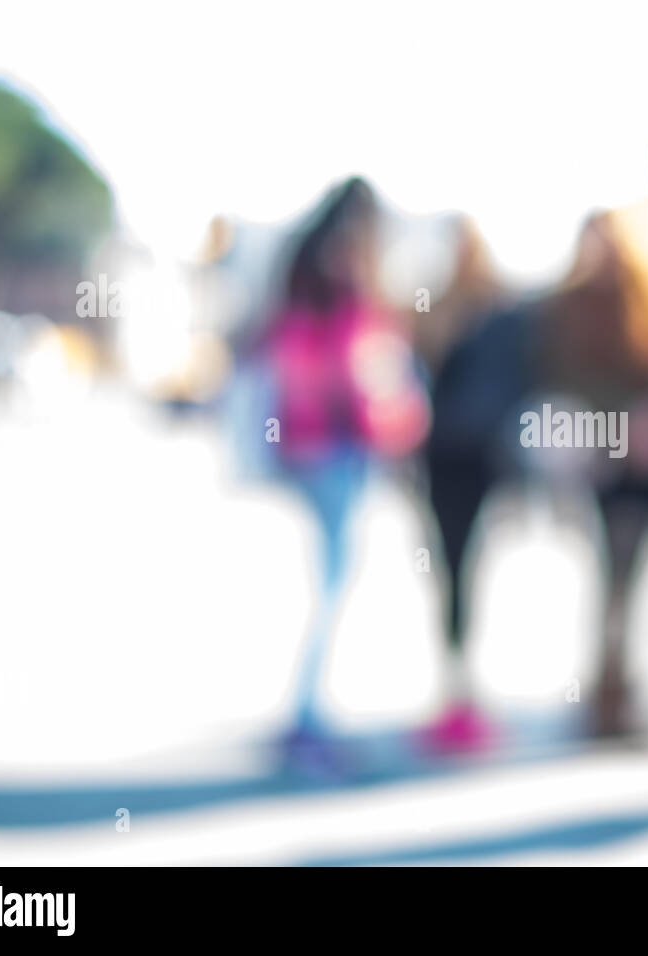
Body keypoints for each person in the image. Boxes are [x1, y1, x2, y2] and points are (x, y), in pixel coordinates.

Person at [425, 197, 648, 745]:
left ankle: (620, 685)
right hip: (602, 454)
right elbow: (557, 376)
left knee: (632, 572)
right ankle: (605, 691)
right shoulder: (566, 310)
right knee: (608, 567)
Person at [257, 178, 429, 769]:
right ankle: (308, 719)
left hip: (308, 447)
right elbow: (355, 374)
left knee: (327, 580)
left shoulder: (299, 272)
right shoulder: (344, 281)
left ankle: (310, 715)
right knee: (333, 582)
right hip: (335, 446)